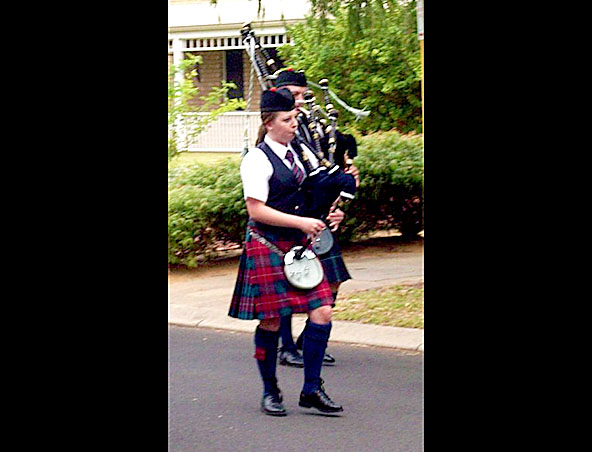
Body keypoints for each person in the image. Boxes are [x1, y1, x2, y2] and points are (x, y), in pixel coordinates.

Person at [228, 87, 344, 416]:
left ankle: (311, 388)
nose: (295, 124)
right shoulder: (256, 159)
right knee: (270, 322)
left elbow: (310, 195)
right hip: (267, 243)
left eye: (295, 118)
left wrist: (328, 213)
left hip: (298, 243)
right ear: (269, 123)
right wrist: (302, 222)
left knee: (322, 311)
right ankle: (270, 390)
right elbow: (256, 211)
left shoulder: (302, 153)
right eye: (287, 119)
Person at [272, 68, 361, 368]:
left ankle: (308, 341)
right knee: (287, 285)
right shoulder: (275, 130)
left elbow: (327, 165)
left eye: (302, 95)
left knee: (332, 281)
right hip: (290, 216)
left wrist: (340, 195)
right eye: (293, 95)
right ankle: (285, 347)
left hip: (318, 217)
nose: (299, 101)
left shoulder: (310, 124)